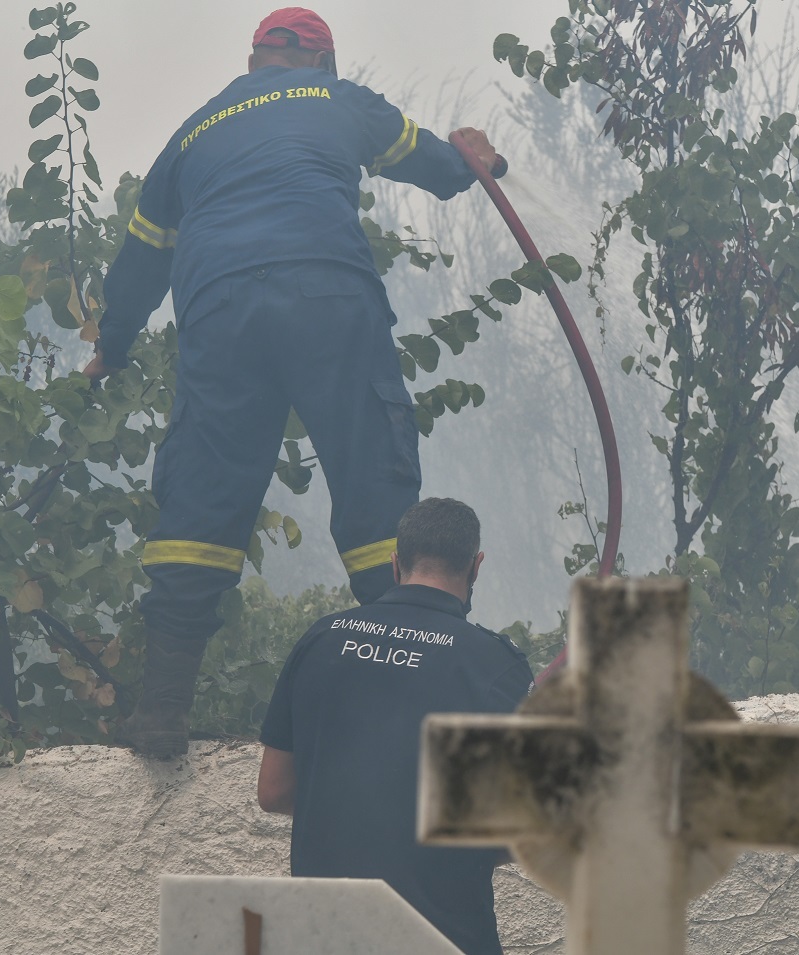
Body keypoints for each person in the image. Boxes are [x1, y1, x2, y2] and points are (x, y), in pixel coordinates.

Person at [82, 8, 502, 758]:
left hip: (218, 310)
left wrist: (110, 348)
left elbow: (140, 261)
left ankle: (161, 710)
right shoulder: (340, 101)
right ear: (319, 62)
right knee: (372, 472)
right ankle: (412, 698)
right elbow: (435, 165)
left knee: (202, 493)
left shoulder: (191, 134)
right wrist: (471, 159)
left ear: (254, 62)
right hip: (327, 297)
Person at [257, 498, 532, 955]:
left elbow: (274, 791)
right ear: (476, 566)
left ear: (394, 563)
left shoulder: (322, 639)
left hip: (324, 937)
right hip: (447, 940)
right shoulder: (495, 666)